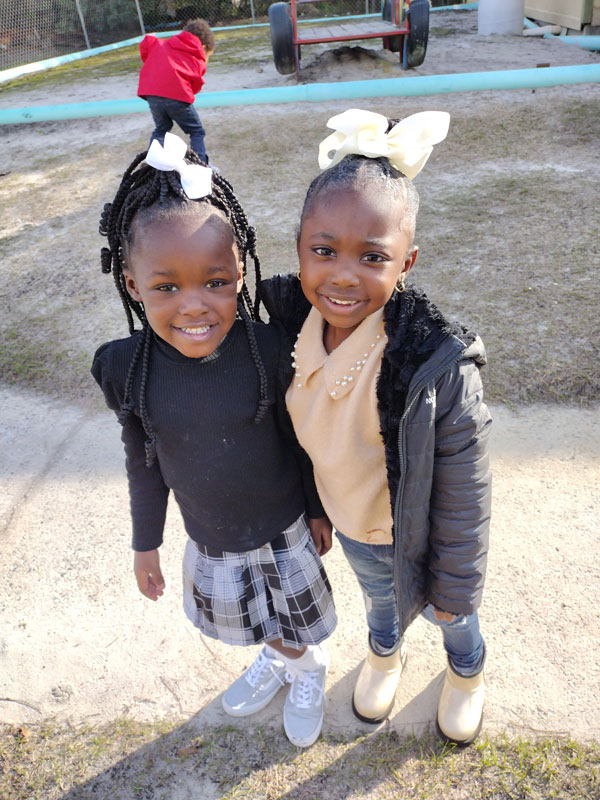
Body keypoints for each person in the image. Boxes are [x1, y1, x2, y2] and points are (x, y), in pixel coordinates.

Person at [92, 132, 336, 748]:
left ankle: (306, 669)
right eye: (167, 287)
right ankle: (278, 659)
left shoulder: (267, 351)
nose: (194, 306)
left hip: (283, 529)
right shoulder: (126, 368)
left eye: (217, 283)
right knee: (254, 619)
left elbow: (301, 440)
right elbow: (142, 462)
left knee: (292, 619)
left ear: (238, 274)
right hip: (212, 540)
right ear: (131, 284)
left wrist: (316, 509)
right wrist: (144, 544)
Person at [260, 109, 492, 746]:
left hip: (420, 531)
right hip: (354, 527)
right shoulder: (286, 331)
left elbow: (465, 497)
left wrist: (455, 583)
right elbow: (298, 441)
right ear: (300, 249)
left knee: (454, 618)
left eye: (372, 257)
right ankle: (385, 655)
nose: (342, 274)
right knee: (380, 604)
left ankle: (467, 674)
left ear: (407, 262)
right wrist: (314, 507)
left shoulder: (435, 365)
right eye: (324, 251)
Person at [137, 19, 215, 164]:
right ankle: (200, 166)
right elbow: (196, 84)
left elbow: (146, 47)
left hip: (152, 94)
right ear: (203, 47)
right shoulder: (195, 55)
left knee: (161, 129)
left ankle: (151, 163)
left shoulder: (162, 44)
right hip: (177, 96)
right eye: (207, 55)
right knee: (196, 131)